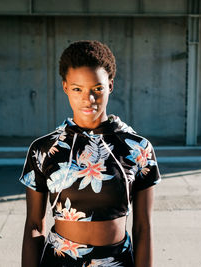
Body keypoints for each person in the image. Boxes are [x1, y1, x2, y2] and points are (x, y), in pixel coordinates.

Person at [19, 40, 161, 267]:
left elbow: (143, 227)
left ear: (110, 86)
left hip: (117, 261)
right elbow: (34, 225)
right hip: (59, 261)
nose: (89, 99)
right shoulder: (44, 149)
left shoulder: (138, 148)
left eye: (97, 89)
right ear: (65, 86)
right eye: (77, 89)